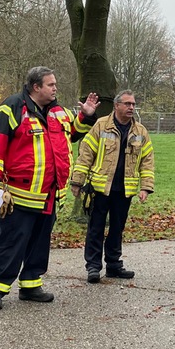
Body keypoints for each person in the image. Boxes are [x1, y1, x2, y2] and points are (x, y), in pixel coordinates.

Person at [0, 67, 98, 310]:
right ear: (36, 87)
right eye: (50, 85)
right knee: (11, 242)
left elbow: (73, 133)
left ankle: (31, 284)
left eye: (55, 84)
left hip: (50, 195)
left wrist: (85, 116)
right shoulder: (12, 107)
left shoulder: (59, 112)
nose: (55, 88)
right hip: (19, 194)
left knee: (39, 243)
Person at [70, 90, 155, 283]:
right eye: (127, 104)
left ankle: (114, 265)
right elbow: (85, 155)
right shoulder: (101, 126)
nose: (131, 107)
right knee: (95, 228)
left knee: (117, 228)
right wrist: (77, 181)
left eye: (133, 104)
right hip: (100, 188)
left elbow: (147, 161)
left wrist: (146, 187)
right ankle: (93, 267)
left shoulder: (140, 132)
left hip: (125, 190)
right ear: (116, 106)